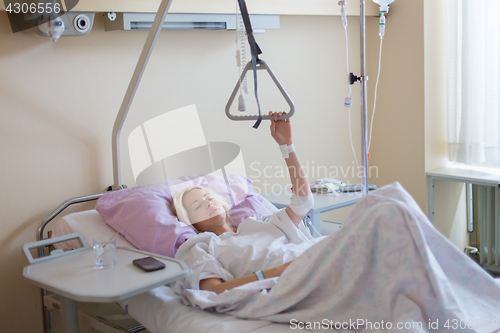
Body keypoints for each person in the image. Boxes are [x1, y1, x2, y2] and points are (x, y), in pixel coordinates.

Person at [172, 111, 319, 295]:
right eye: (197, 206)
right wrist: (277, 272)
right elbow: (214, 290)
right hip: (294, 280)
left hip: (316, 259)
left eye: (209, 198)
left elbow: (303, 202)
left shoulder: (258, 222)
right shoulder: (203, 246)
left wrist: (287, 146)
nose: (208, 203)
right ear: (189, 221)